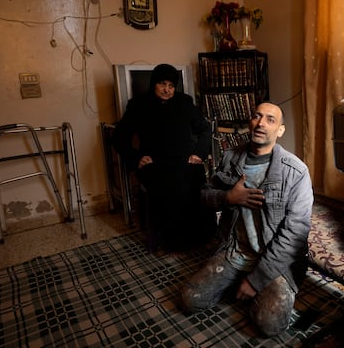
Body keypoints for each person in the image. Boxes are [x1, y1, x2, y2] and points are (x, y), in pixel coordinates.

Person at [179, 102, 314, 337]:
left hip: (276, 260)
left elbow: (295, 234)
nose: (261, 123)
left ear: (280, 130)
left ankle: (256, 286)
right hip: (236, 251)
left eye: (270, 120)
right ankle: (240, 281)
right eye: (256, 116)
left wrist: (256, 281)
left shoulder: (296, 171)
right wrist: (229, 197)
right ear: (250, 123)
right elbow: (204, 196)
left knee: (270, 324)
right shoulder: (231, 158)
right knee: (191, 299)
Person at [112, 63, 214, 253]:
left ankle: (200, 238)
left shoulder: (184, 102)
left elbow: (205, 129)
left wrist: (199, 154)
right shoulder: (138, 105)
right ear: (154, 84)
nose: (167, 90)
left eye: (171, 86)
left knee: (195, 181)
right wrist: (136, 158)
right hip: (156, 163)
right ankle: (174, 243)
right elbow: (119, 137)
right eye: (163, 84)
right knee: (170, 185)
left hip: (185, 161)